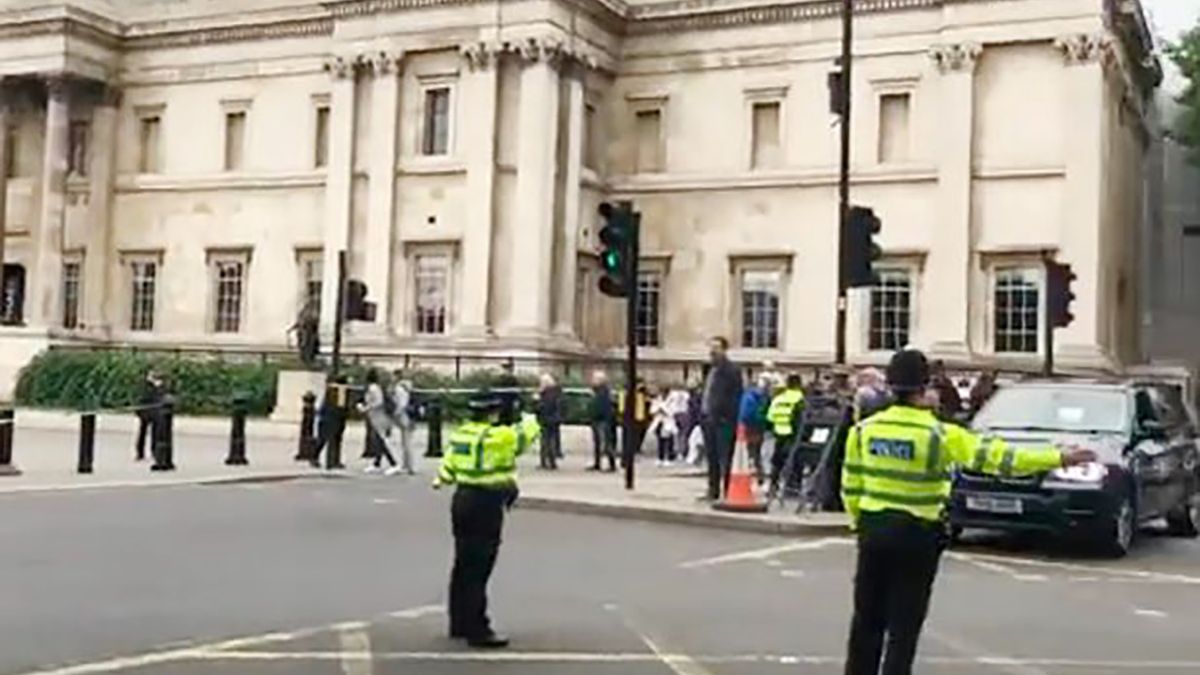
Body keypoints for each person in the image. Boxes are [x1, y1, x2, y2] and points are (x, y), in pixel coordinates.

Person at [841, 349, 1096, 675]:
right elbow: (1000, 459)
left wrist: (859, 522)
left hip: (874, 530)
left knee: (866, 620)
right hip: (918, 533)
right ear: (924, 388)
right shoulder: (940, 434)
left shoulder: (864, 430)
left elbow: (851, 484)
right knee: (904, 626)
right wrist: (1056, 458)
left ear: (890, 387)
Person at [434, 392, 539, 649]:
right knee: (480, 567)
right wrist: (529, 412)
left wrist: (443, 479)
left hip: (462, 499)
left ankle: (459, 622)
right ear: (492, 414)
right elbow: (528, 434)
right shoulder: (499, 437)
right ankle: (478, 629)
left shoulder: (461, 434)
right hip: (486, 503)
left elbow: (446, 470)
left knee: (463, 564)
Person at [701, 336, 742, 501]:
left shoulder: (732, 370)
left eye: (717, 347)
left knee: (725, 457)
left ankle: (728, 490)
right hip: (708, 419)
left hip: (724, 421)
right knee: (711, 457)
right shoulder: (709, 369)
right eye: (711, 347)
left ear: (725, 350)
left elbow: (735, 397)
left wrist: (728, 417)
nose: (713, 351)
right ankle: (713, 490)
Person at [767, 373, 806, 495]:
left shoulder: (778, 399)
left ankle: (773, 486)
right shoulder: (801, 398)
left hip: (779, 434)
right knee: (796, 462)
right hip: (795, 436)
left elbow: (770, 417)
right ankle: (793, 488)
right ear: (799, 384)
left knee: (777, 462)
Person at [359, 369, 402, 475]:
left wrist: (366, 408)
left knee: (381, 441)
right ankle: (377, 463)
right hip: (376, 417)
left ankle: (394, 463)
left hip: (379, 417)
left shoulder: (373, 388)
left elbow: (378, 402)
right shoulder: (375, 387)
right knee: (378, 440)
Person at [738, 374, 772, 482]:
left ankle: (750, 471)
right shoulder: (765, 397)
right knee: (757, 450)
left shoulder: (747, 395)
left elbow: (743, 412)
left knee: (749, 450)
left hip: (747, 425)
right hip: (759, 425)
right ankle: (758, 472)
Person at [589, 371, 617, 472]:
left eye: (594, 379)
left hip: (603, 420)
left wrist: (598, 415)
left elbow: (603, 407)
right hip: (597, 420)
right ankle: (597, 463)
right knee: (597, 442)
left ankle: (612, 464)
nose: (592, 380)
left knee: (606, 443)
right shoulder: (597, 391)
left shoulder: (604, 392)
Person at [134, 370, 164, 461]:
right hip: (146, 412)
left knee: (155, 433)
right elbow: (144, 397)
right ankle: (140, 452)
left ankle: (154, 452)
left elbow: (161, 396)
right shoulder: (145, 386)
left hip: (155, 412)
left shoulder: (159, 386)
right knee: (143, 432)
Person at [390, 374, 417, 475]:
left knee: (406, 443)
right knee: (406, 442)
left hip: (404, 416)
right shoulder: (406, 388)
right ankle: (407, 464)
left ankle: (409, 466)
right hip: (409, 416)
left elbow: (402, 404)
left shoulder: (399, 389)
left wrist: (396, 413)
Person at [535, 374, 562, 470]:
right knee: (551, 440)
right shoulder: (555, 392)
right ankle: (550, 461)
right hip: (553, 419)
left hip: (547, 419)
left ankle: (547, 462)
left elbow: (544, 407)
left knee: (546, 441)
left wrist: (537, 401)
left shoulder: (546, 394)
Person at [649, 387, 678, 466]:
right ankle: (660, 457)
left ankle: (669, 458)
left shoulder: (673, 398)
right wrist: (658, 409)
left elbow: (672, 411)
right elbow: (652, 410)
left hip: (668, 422)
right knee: (660, 441)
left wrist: (663, 409)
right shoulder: (657, 399)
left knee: (668, 441)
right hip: (659, 422)